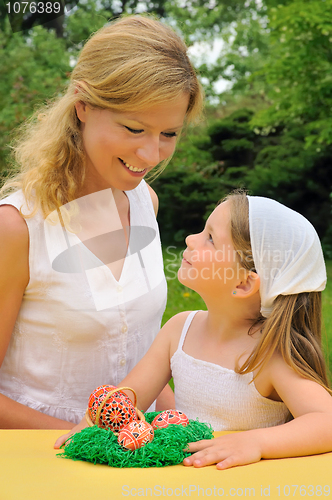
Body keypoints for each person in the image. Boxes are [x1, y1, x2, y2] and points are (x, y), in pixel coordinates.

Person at [0, 14, 203, 429]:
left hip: (133, 458)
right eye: (134, 128)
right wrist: (89, 441)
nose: (151, 155)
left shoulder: (145, 201)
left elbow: (139, 355)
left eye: (169, 134)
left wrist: (177, 422)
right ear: (83, 106)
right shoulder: (16, 228)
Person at [55, 190, 332, 470]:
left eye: (210, 238)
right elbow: (129, 396)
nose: (190, 239)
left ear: (245, 284)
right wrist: (94, 421)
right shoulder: (180, 329)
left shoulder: (269, 355)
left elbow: (326, 422)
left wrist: (255, 443)